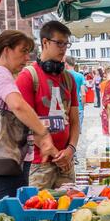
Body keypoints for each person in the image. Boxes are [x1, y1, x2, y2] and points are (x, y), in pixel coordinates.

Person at [0, 30, 58, 210]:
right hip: (4, 159)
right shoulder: (0, 73)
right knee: (7, 215)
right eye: (23, 51)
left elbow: (11, 116)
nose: (26, 57)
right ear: (7, 50)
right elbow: (18, 105)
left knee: (5, 211)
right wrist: (43, 133)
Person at [16, 21, 79, 191]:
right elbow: (24, 124)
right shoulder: (28, 76)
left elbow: (74, 120)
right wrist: (56, 154)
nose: (64, 48)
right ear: (45, 42)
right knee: (40, 212)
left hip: (66, 161)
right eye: (59, 43)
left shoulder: (69, 79)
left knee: (69, 212)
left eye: (66, 43)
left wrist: (71, 150)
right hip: (39, 162)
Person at [64, 56, 86, 133]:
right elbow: (83, 94)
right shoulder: (80, 76)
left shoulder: (62, 75)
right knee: (77, 131)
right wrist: (83, 106)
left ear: (66, 64)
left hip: (66, 108)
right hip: (78, 106)